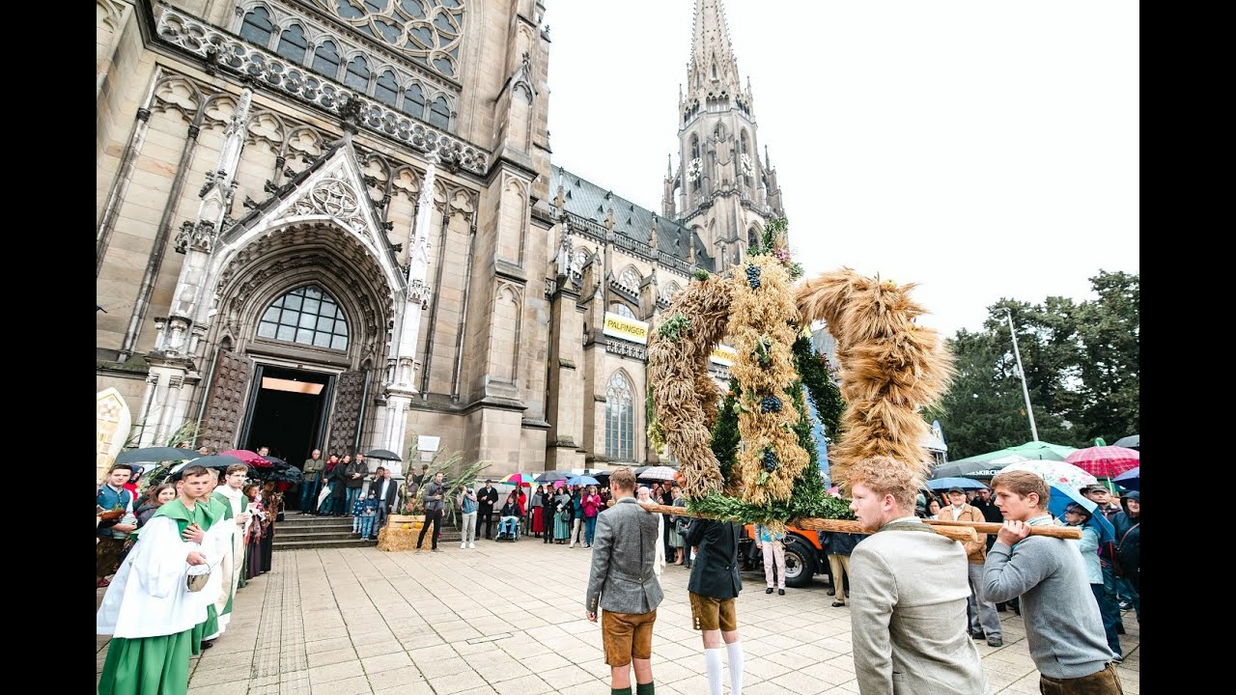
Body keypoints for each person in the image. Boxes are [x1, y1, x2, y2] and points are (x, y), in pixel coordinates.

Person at [846, 456, 991, 695]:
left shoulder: (871, 553)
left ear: (887, 502)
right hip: (971, 681)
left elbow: (871, 651)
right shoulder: (952, 545)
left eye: (860, 497)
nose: (853, 506)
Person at [984, 471, 1121, 693]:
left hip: (1075, 674)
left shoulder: (1040, 543)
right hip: (1078, 667)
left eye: (1004, 495)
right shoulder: (1054, 532)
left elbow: (993, 590)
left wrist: (1002, 542)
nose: (996, 502)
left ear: (1031, 499)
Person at [96, 465, 215, 695]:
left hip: (181, 590)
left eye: (203, 483)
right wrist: (184, 555)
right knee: (151, 632)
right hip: (158, 590)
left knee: (177, 630)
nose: (199, 487)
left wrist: (203, 540)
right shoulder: (165, 515)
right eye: (194, 483)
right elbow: (149, 555)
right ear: (181, 484)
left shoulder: (199, 511)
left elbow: (211, 546)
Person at [585, 467, 664, 695]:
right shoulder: (651, 514)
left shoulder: (607, 517)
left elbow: (599, 566)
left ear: (615, 487)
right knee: (643, 662)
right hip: (648, 599)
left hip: (619, 603)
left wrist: (591, 602)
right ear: (635, 488)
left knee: (620, 668)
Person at [684, 514, 744, 695]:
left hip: (708, 579)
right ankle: (736, 691)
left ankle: (717, 693)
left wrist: (684, 529)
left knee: (711, 639)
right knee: (732, 635)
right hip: (728, 578)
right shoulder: (735, 507)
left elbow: (691, 537)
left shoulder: (706, 511)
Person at [937, 486, 1002, 647]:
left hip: (975, 559)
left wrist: (964, 551)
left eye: (959, 494)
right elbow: (939, 532)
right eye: (953, 495)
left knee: (984, 597)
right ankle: (974, 628)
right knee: (966, 597)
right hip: (953, 559)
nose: (956, 497)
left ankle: (993, 632)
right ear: (949, 497)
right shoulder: (943, 512)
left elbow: (981, 535)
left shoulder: (974, 511)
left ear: (965, 497)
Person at [1063, 502, 1123, 662]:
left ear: (1082, 517)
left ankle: (1113, 648)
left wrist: (1058, 534)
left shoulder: (1091, 532)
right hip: (1070, 578)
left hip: (1090, 579)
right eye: (1066, 511)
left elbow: (1074, 547)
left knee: (1100, 613)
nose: (1067, 514)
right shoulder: (1062, 527)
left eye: (1072, 512)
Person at [97, 465, 137, 587]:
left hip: (116, 539)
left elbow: (128, 512)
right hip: (100, 535)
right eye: (117, 475)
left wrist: (131, 523)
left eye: (125, 475)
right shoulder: (100, 492)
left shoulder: (128, 494)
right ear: (109, 475)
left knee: (103, 570)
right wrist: (118, 526)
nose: (121, 478)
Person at [1109, 490, 1139, 621]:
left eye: (1137, 501)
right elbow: (1113, 536)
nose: (1134, 504)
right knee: (1136, 596)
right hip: (1126, 565)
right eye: (1131, 501)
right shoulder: (1119, 517)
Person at [416, 471, 445, 552]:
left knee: (437, 529)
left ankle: (434, 547)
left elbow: (443, 499)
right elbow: (425, 497)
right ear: (435, 477)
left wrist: (442, 508)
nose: (440, 478)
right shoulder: (429, 485)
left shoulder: (443, 486)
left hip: (438, 510)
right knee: (425, 528)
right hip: (430, 509)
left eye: (441, 477)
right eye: (438, 476)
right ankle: (418, 546)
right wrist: (434, 498)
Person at [754, 523, 787, 595]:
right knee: (768, 563)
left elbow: (784, 525)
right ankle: (770, 585)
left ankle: (781, 586)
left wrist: (783, 536)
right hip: (766, 540)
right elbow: (757, 529)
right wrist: (758, 542)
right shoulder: (760, 516)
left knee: (780, 563)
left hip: (778, 540)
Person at [372, 467, 398, 540]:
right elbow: (373, 487)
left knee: (385, 518)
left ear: (390, 474)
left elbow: (393, 493)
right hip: (379, 500)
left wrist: (391, 503)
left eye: (387, 473)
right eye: (384, 473)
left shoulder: (393, 483)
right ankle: (374, 533)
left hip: (386, 502)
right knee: (376, 517)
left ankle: (383, 533)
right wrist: (376, 479)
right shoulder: (380, 481)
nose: (386, 475)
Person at [300, 449, 324, 514]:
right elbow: (305, 468)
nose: (316, 455)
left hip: (315, 479)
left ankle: (309, 509)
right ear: (312, 454)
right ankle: (303, 509)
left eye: (318, 454)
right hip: (307, 479)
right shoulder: (308, 461)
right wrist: (315, 470)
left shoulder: (321, 462)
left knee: (312, 494)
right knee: (304, 495)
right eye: (315, 454)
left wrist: (311, 468)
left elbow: (321, 468)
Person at [458, 483, 478, 548]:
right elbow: (460, 503)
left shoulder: (471, 491)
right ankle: (463, 542)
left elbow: (475, 499)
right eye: (464, 489)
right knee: (464, 527)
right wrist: (462, 496)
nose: (465, 489)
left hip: (473, 511)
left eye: (465, 488)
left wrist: (468, 495)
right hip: (465, 512)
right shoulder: (459, 494)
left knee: (472, 527)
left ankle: (471, 542)